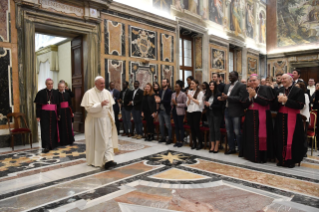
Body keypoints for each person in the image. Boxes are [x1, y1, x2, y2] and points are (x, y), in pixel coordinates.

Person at [81, 76, 118, 169]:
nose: (103, 85)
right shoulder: (89, 93)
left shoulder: (107, 93)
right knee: (99, 141)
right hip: (95, 122)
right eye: (101, 83)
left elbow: (111, 108)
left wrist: (112, 120)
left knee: (108, 139)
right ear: (95, 83)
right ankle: (97, 160)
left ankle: (109, 160)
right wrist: (100, 104)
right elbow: (88, 109)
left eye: (104, 83)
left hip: (106, 120)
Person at [274, 74, 305, 168]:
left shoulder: (298, 90)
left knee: (293, 139)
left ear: (291, 79)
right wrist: (277, 102)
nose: (282, 80)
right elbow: (274, 106)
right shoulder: (279, 90)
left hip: (293, 118)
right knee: (280, 137)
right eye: (282, 79)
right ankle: (281, 159)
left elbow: (300, 105)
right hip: (280, 117)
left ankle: (291, 160)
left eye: (285, 79)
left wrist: (287, 100)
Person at [242, 74, 275, 163]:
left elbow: (265, 102)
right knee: (250, 136)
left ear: (259, 81)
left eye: (254, 80)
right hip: (250, 116)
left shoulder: (265, 88)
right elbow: (243, 104)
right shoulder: (248, 90)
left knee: (260, 136)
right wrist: (250, 97)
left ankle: (261, 157)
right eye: (251, 81)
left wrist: (255, 96)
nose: (252, 82)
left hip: (262, 116)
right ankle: (250, 155)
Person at [218, 71, 248, 156]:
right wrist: (222, 98)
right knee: (229, 131)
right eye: (229, 76)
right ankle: (232, 148)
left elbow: (241, 98)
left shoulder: (242, 86)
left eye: (232, 75)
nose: (230, 77)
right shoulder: (227, 86)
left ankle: (241, 149)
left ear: (237, 76)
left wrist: (228, 97)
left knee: (237, 131)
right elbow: (226, 97)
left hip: (236, 111)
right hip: (227, 110)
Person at [35, 78, 60, 153]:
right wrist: (38, 116)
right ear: (46, 84)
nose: (50, 85)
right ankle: (46, 146)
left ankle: (53, 145)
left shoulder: (56, 92)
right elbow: (38, 106)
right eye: (49, 84)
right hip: (44, 114)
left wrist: (59, 115)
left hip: (53, 113)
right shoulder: (41, 93)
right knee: (45, 130)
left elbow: (58, 105)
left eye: (51, 84)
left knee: (53, 129)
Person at [204, 81, 223, 153]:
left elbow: (219, 106)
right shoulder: (208, 94)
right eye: (210, 85)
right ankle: (212, 146)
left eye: (213, 85)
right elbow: (206, 104)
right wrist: (206, 104)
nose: (211, 86)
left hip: (217, 114)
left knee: (216, 129)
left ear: (215, 86)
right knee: (211, 129)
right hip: (209, 113)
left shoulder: (218, 94)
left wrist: (210, 105)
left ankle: (216, 146)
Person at [187, 79, 204, 150]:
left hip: (196, 111)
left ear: (196, 84)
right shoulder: (189, 91)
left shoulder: (200, 92)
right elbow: (186, 104)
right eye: (191, 84)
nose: (191, 85)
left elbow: (200, 103)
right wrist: (189, 99)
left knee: (196, 127)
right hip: (190, 110)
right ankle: (194, 142)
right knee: (192, 127)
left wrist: (192, 98)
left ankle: (200, 143)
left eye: (193, 83)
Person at [57, 82, 75, 146]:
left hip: (67, 111)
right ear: (58, 87)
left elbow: (70, 103)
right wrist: (58, 113)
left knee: (69, 125)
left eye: (63, 87)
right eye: (60, 87)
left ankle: (70, 140)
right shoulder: (56, 94)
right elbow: (57, 105)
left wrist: (72, 112)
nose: (62, 88)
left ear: (65, 87)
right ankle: (63, 141)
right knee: (62, 126)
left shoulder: (67, 94)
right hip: (61, 111)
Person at [296, 82, 310, 156]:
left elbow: (304, 105)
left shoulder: (305, 95)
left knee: (303, 135)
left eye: (298, 87)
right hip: (297, 117)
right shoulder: (295, 95)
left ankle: (304, 151)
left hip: (304, 118)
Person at [171, 80, 187, 147]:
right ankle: (177, 140)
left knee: (181, 126)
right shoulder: (173, 94)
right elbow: (171, 102)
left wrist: (177, 104)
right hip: (174, 111)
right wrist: (173, 103)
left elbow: (185, 104)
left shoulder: (183, 94)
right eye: (175, 87)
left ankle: (181, 141)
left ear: (180, 87)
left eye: (177, 87)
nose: (176, 88)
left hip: (180, 112)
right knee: (176, 126)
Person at [156, 79, 173, 144]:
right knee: (161, 125)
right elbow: (159, 100)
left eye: (164, 82)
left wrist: (161, 101)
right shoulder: (160, 91)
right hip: (160, 110)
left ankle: (170, 138)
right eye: (162, 82)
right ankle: (163, 137)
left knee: (168, 125)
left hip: (166, 110)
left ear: (167, 83)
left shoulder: (169, 91)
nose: (163, 83)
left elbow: (169, 101)